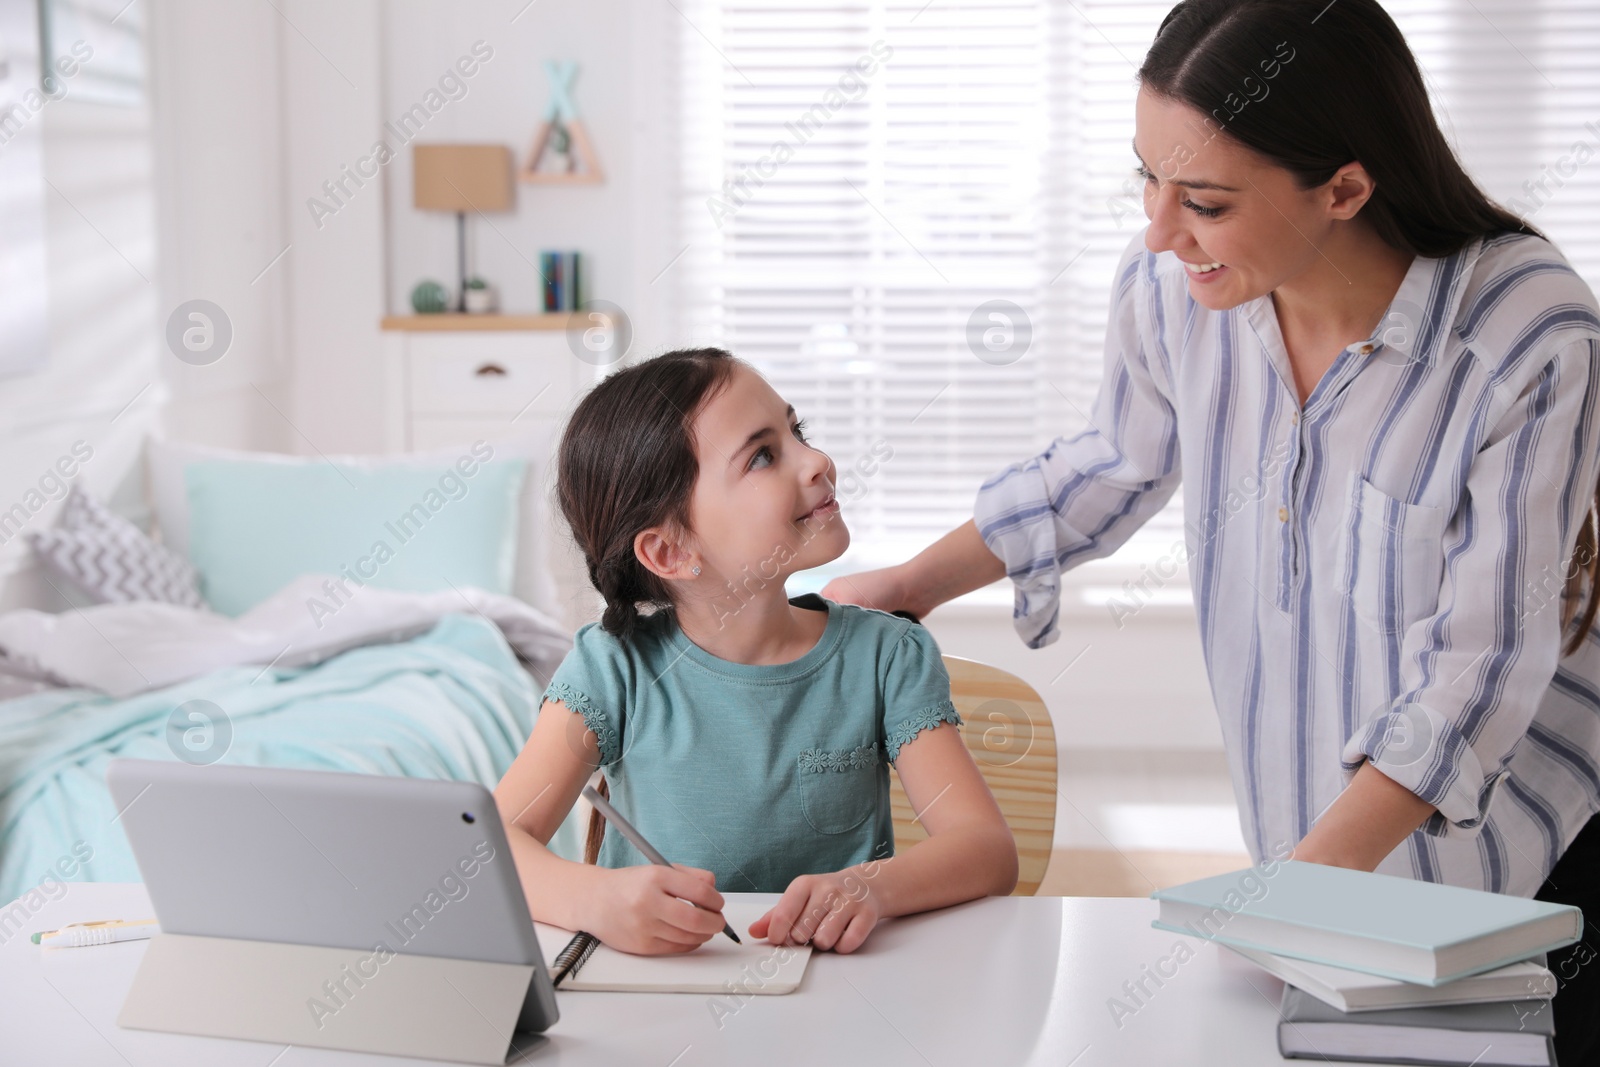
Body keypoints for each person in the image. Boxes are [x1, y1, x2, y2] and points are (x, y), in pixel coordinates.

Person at [824, 0, 1600, 1057]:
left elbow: (1479, 666)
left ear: (1344, 186)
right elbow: (1112, 463)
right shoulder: (1176, 283)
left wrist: (1292, 892)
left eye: (1202, 199)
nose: (1155, 227)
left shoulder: (1524, 332)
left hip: (1516, 865)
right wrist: (911, 584)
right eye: (1144, 176)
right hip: (1306, 859)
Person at [494, 347, 1018, 958]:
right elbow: (490, 846)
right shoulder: (614, 668)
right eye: (763, 455)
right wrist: (594, 901)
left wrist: (870, 887)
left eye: (797, 432)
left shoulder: (886, 656)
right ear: (670, 552)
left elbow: (985, 848)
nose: (818, 460)